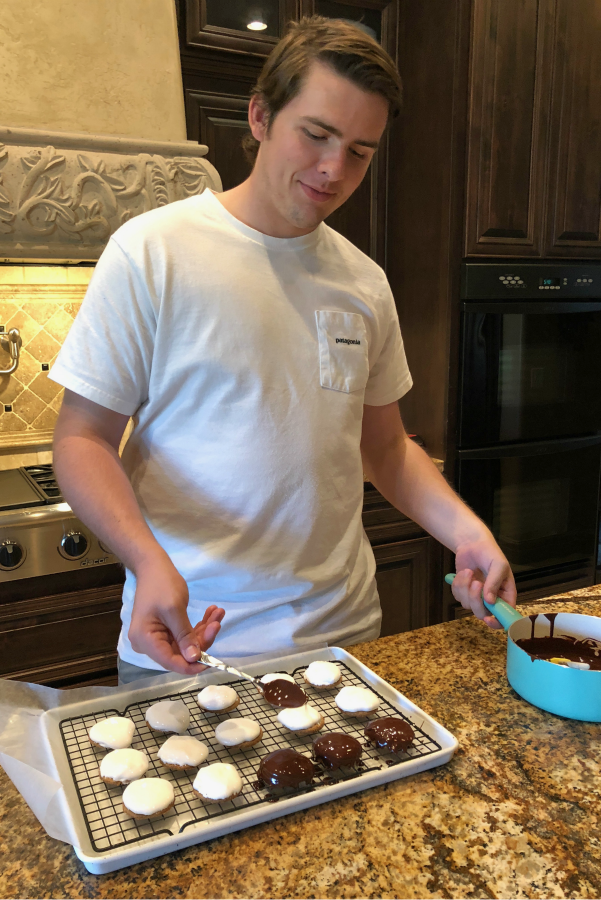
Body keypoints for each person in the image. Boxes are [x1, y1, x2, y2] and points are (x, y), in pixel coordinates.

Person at [50, 16, 517, 685]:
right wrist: (147, 561)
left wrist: (466, 532)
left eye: (359, 150)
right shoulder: (152, 251)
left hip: (344, 641)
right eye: (316, 135)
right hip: (185, 642)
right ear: (260, 116)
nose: (334, 168)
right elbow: (83, 440)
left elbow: (383, 446)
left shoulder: (362, 282)